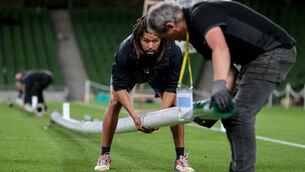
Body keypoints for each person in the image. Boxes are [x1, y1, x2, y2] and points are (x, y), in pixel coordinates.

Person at [147, 1, 296, 172]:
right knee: (230, 114)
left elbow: (221, 49)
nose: (170, 42)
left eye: (166, 38)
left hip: (274, 52)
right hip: (254, 60)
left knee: (241, 114)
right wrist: (218, 103)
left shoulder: (201, 14)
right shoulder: (195, 36)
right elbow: (230, 71)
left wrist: (218, 86)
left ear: (171, 26)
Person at [94, 15, 195, 172]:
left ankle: (180, 158)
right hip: (132, 72)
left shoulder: (173, 51)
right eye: (146, 41)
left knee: (177, 105)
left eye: (155, 41)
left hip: (158, 72)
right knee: (114, 101)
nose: (150, 45)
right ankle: (104, 156)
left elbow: (171, 87)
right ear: (138, 38)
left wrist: (161, 117)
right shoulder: (125, 49)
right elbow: (120, 87)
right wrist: (135, 117)